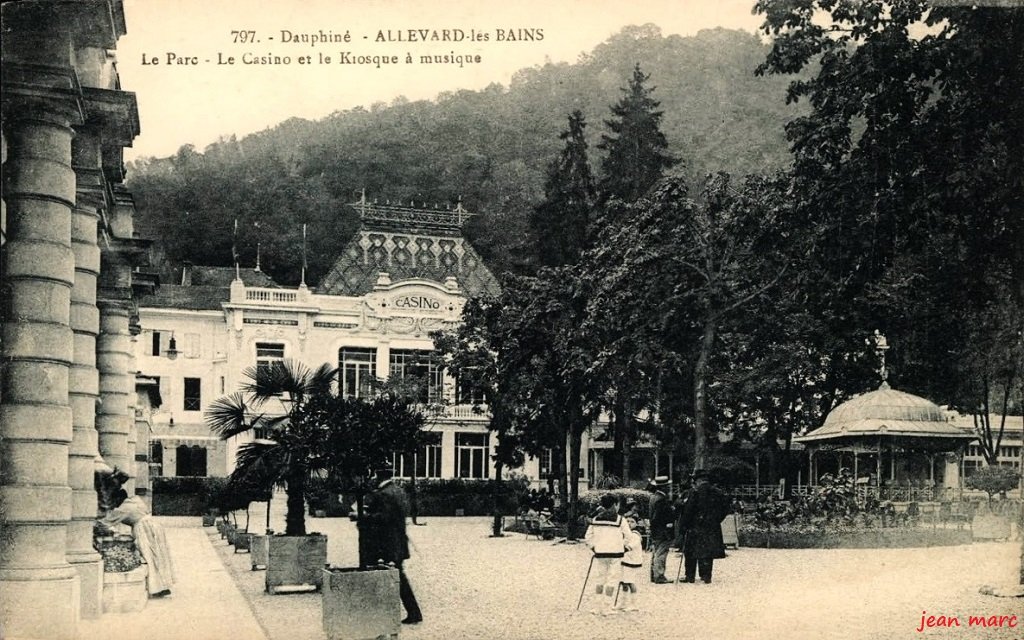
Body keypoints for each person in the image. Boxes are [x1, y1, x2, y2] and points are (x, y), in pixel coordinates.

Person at [360, 467, 423, 625]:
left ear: (378, 476)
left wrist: (364, 517)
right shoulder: (398, 491)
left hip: (387, 542)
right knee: (398, 576)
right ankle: (413, 612)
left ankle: (412, 613)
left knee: (395, 576)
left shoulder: (384, 494)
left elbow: (384, 518)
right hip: (398, 541)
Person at [98, 488, 176, 597]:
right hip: (154, 526)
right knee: (158, 555)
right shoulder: (135, 500)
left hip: (144, 528)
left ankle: (156, 588)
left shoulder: (124, 508)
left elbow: (105, 522)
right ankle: (163, 585)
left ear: (118, 499)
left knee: (148, 556)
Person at [678, 469, 730, 584]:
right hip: (712, 527)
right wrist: (716, 519)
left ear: (698, 480)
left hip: (695, 526)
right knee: (707, 552)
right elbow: (726, 508)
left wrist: (683, 526)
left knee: (691, 552)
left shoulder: (694, 492)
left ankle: (690, 576)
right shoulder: (718, 492)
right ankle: (706, 576)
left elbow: (688, 511)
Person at [583, 494, 631, 615]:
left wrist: (594, 547)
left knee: (600, 578)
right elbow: (628, 536)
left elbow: (588, 537)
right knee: (612, 579)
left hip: (600, 553)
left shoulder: (595, 519)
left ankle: (597, 606)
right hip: (616, 553)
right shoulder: (620, 520)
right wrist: (623, 547)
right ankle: (607, 607)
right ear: (615, 505)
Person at [647, 476, 674, 583]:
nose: (669, 488)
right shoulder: (661, 499)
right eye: (667, 486)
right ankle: (659, 575)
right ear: (664, 487)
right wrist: (667, 524)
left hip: (655, 530)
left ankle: (654, 575)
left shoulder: (653, 497)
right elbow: (657, 517)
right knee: (661, 552)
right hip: (662, 531)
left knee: (656, 552)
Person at [618, 518, 644, 612]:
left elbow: (631, 545)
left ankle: (634, 603)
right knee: (623, 581)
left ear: (636, 524)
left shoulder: (635, 535)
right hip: (624, 560)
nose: (629, 523)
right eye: (627, 521)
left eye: (632, 522)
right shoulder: (624, 534)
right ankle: (623, 603)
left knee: (630, 581)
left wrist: (621, 550)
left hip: (632, 561)